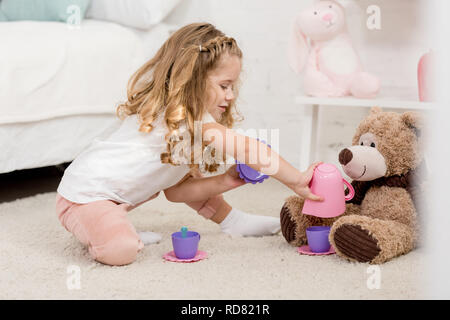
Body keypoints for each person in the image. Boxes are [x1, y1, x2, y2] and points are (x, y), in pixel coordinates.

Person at [55, 22, 322, 266]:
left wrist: (225, 181)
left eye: (233, 87)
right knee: (121, 250)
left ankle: (233, 221)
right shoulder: (185, 121)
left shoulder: (188, 122)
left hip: (114, 199)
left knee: (186, 172)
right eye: (224, 85)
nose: (230, 95)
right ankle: (108, 230)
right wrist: (296, 180)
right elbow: (249, 149)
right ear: (193, 80)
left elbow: (175, 191)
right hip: (83, 197)